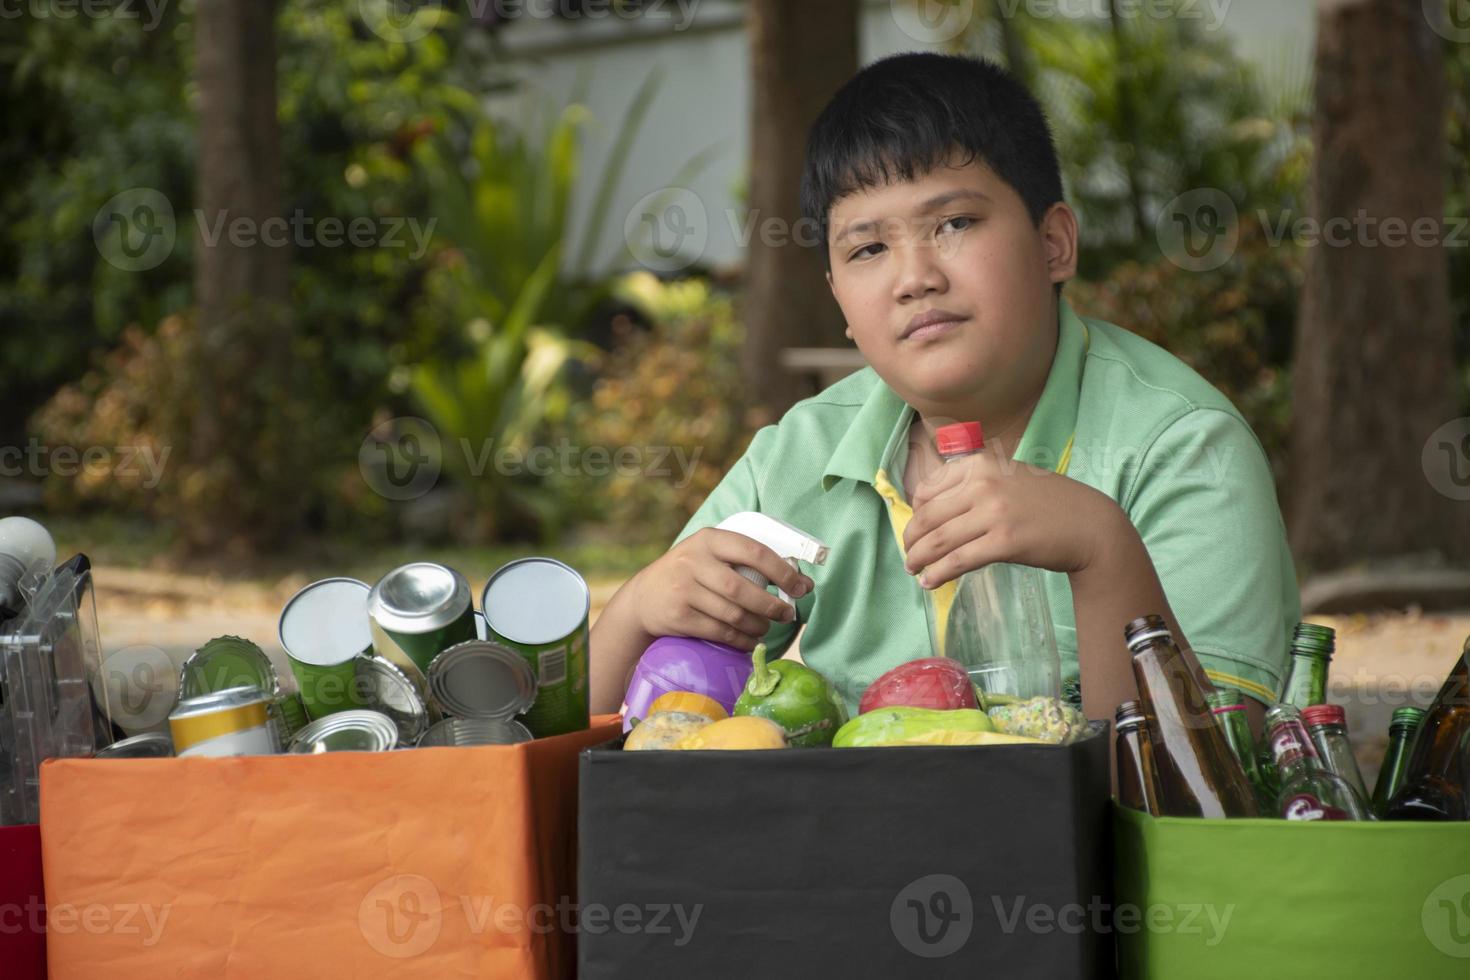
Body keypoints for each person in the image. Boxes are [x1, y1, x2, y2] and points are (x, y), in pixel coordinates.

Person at [590, 52, 1298, 728]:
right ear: (838, 298)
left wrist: (1099, 547)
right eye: (869, 249)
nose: (914, 277)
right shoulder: (803, 453)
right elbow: (577, 739)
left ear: (1053, 243)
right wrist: (634, 613)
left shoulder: (1186, 446)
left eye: (954, 223)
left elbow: (1198, 782)